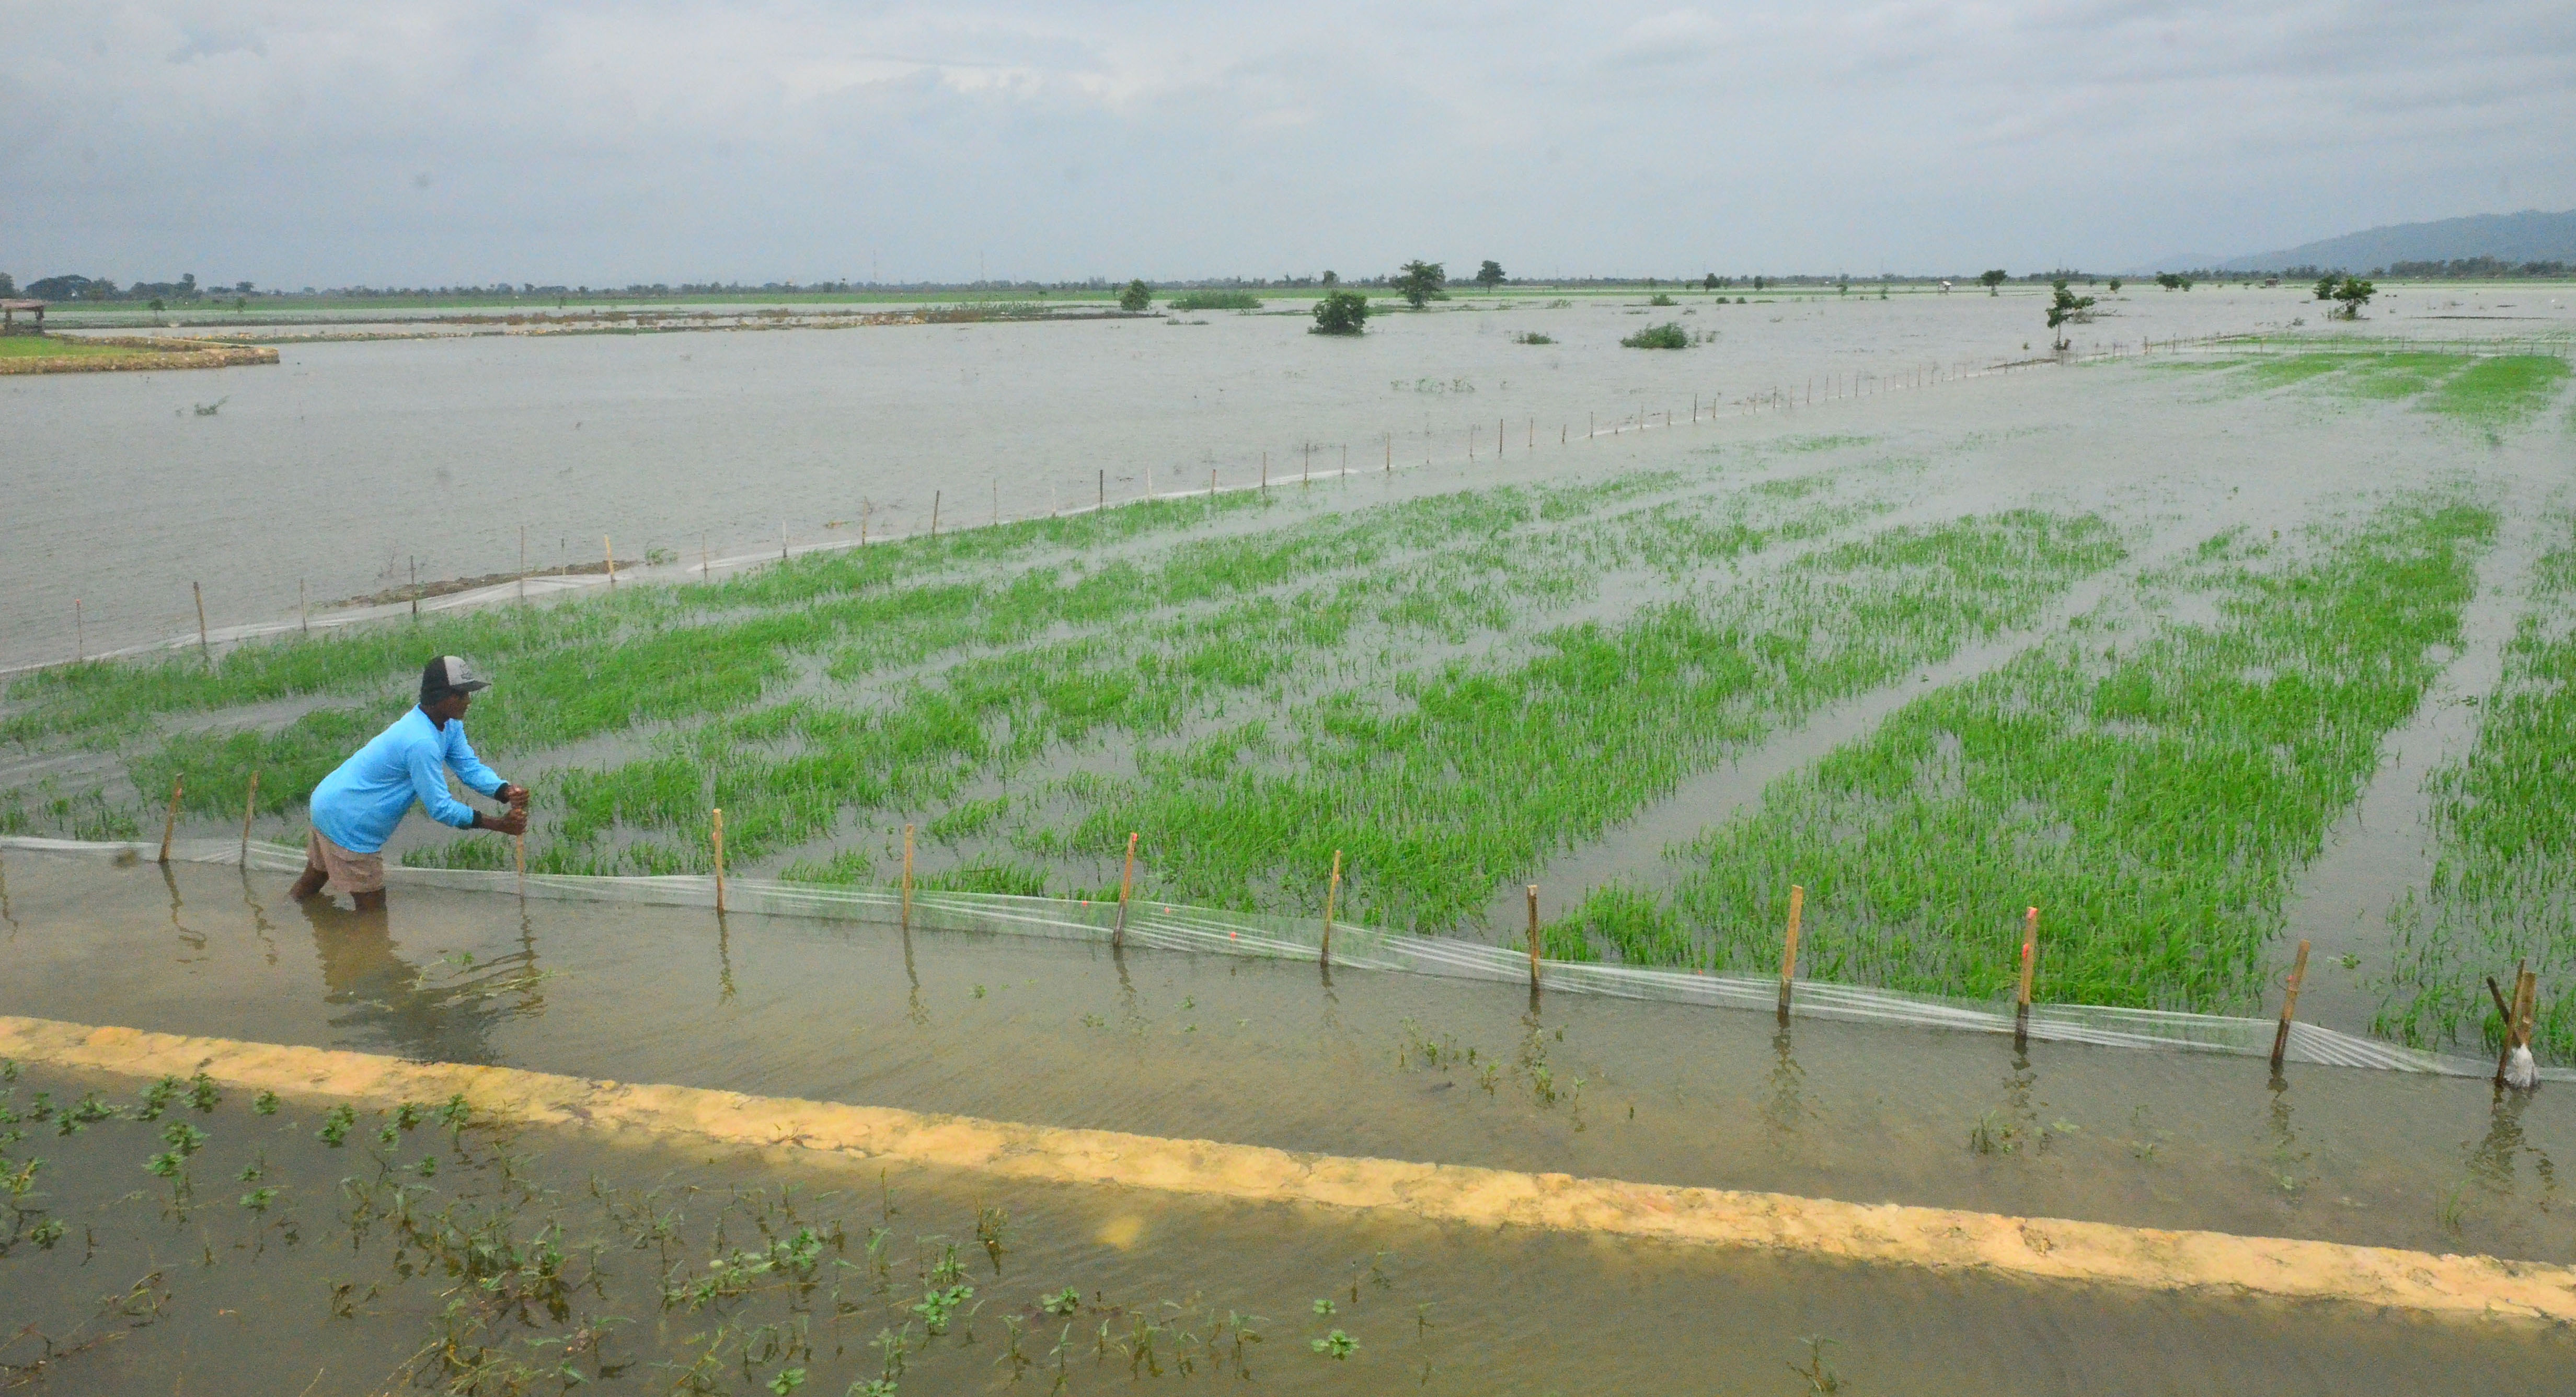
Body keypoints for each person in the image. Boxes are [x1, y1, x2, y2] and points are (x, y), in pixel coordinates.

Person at [291, 655, 528, 909]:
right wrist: (498, 824)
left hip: (329, 803)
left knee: (314, 880)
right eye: (461, 695)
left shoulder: (448, 724)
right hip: (349, 822)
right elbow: (440, 808)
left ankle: (281, 916)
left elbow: (468, 767)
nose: (468, 701)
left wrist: (504, 791)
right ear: (439, 696)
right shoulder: (421, 742)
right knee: (372, 915)